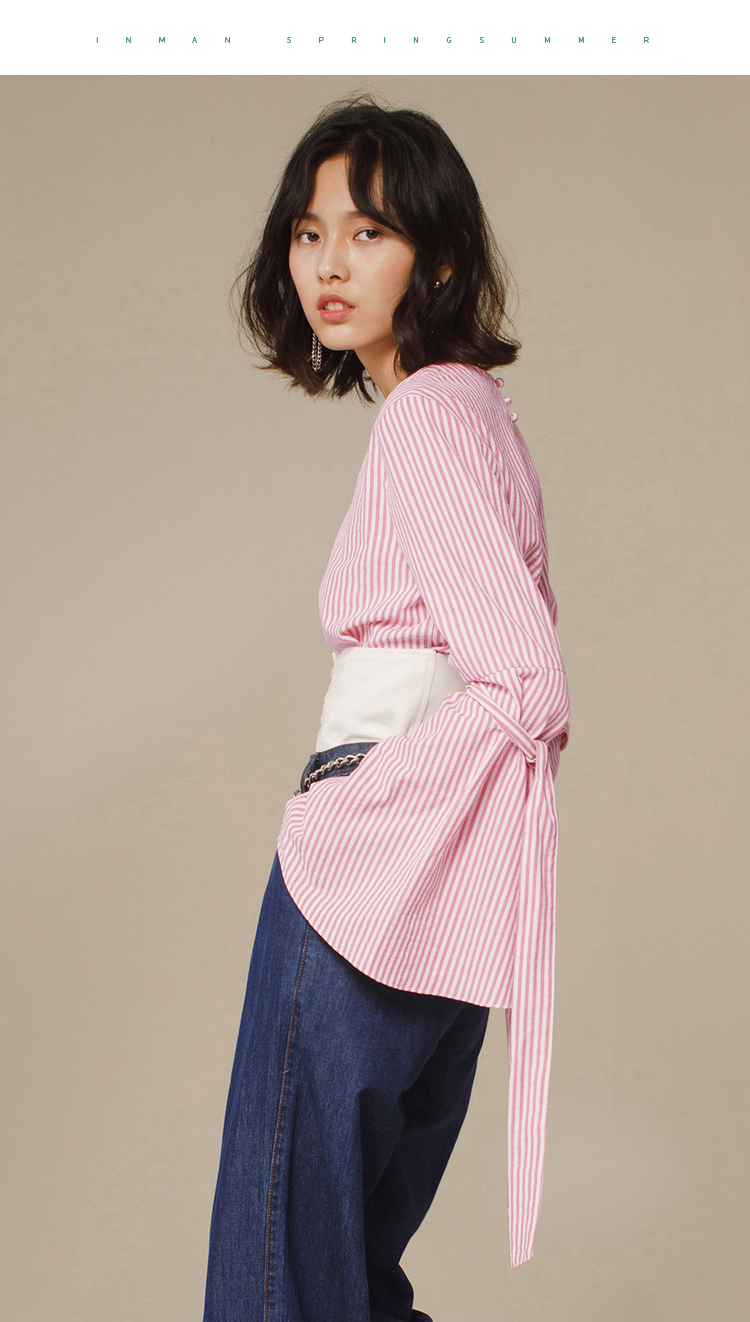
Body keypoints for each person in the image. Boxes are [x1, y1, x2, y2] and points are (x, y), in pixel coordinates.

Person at [202, 93, 570, 1322]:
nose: (329, 264)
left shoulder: (426, 415)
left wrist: (359, 807)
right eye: (310, 234)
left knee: (278, 1280)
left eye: (368, 233)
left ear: (440, 256)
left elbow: (525, 681)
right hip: (453, 891)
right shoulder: (477, 412)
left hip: (380, 871)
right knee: (346, 1278)